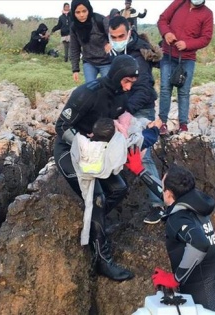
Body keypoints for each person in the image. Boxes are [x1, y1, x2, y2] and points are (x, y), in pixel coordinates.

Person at [54, 55, 140, 281]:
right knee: (98, 198)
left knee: (119, 189)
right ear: (118, 76)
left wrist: (131, 130)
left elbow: (122, 116)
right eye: (127, 81)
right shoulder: (87, 92)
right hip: (70, 150)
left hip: (97, 152)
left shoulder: (121, 94)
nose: (129, 87)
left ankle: (93, 227)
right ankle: (102, 260)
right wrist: (85, 145)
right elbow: (60, 126)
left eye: (132, 82)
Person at [123, 156, 215, 314]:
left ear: (170, 194)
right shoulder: (197, 204)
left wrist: (174, 279)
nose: (162, 188)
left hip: (205, 304)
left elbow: (199, 243)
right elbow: (166, 196)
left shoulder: (177, 219)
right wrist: (141, 171)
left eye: (164, 185)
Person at [108, 15, 166, 224]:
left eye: (121, 35)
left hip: (140, 110)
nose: (117, 39)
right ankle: (111, 200)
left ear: (129, 33)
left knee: (141, 154)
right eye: (113, 36)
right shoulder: (114, 53)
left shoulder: (138, 56)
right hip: (122, 109)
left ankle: (159, 204)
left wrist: (127, 112)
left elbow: (143, 90)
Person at [157, 0, 213, 135]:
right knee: (165, 89)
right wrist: (166, 33)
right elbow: (162, 20)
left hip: (187, 58)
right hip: (168, 54)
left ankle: (183, 125)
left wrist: (187, 44)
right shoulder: (179, 2)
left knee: (183, 92)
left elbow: (206, 38)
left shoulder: (207, 13)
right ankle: (162, 123)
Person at [69, 0, 112, 83]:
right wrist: (75, 69)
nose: (81, 15)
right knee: (90, 87)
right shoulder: (74, 27)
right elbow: (74, 48)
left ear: (89, 9)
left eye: (84, 11)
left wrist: (111, 44)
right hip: (89, 62)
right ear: (73, 13)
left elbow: (114, 36)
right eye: (77, 12)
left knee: (108, 87)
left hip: (106, 62)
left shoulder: (100, 20)